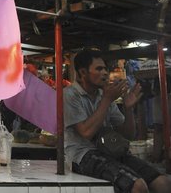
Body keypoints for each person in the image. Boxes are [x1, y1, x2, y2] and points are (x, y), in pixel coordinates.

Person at [65, 49, 171, 193]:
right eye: (99, 69)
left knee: (162, 182)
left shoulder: (103, 95)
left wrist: (128, 109)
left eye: (105, 69)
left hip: (109, 151)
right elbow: (86, 132)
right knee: (138, 186)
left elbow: (128, 135)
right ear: (83, 73)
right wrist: (107, 100)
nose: (104, 73)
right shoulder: (70, 95)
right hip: (82, 156)